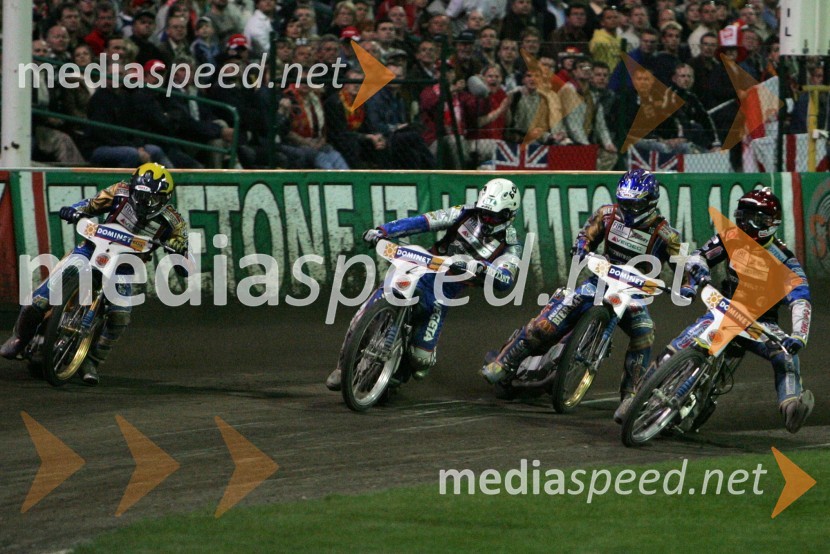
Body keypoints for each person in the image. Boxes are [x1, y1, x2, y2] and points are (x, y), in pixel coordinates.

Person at [481, 169, 682, 423]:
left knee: (645, 332)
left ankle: (631, 396)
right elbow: (586, 235)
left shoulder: (666, 235)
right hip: (600, 280)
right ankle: (505, 361)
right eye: (624, 202)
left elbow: (683, 265)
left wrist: (688, 283)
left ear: (649, 202)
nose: (628, 209)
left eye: (634, 204)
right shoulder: (607, 214)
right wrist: (581, 248)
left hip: (633, 294)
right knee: (555, 314)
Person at [326, 178, 524, 391]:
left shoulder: (512, 244)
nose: (486, 219)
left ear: (508, 215)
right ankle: (342, 368)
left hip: (445, 289)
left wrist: (484, 268)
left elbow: (506, 279)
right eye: (484, 212)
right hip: (423, 265)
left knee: (421, 359)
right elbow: (424, 221)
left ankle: (398, 373)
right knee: (368, 309)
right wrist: (383, 231)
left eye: (493, 216)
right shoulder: (464, 213)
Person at [0, 164, 189, 386]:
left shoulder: (174, 221)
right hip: (90, 250)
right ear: (132, 189)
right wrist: (74, 210)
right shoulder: (119, 190)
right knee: (39, 300)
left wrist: (179, 250)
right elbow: (90, 204)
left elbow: (186, 266)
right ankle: (20, 338)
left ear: (165, 198)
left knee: (120, 316)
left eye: (152, 198)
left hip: (123, 267)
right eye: (140, 195)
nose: (143, 202)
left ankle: (92, 360)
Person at [668, 188, 814, 433]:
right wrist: (700, 269)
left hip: (760, 324)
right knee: (682, 341)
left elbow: (801, 299)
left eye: (753, 218)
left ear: (770, 223)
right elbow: (699, 255)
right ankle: (640, 391)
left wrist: (799, 335)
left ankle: (791, 406)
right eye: (742, 216)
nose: (745, 224)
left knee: (787, 357)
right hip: (724, 308)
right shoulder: (730, 237)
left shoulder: (784, 260)